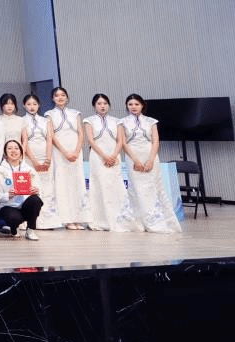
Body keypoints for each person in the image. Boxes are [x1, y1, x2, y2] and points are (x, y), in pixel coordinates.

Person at [121, 94, 182, 234]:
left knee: (154, 187)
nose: (133, 107)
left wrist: (151, 160)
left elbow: (155, 141)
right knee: (136, 189)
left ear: (142, 105)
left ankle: (160, 221)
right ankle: (139, 222)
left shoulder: (151, 121)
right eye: (130, 104)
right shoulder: (122, 122)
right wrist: (136, 160)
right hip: (132, 157)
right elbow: (123, 143)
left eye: (136, 104)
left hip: (151, 156)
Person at [84, 94, 137, 232]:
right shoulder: (88, 121)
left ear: (109, 105)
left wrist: (113, 156)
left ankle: (119, 218)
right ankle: (100, 220)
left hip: (115, 157)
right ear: (94, 106)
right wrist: (104, 156)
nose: (102, 106)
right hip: (97, 157)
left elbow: (120, 141)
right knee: (99, 186)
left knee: (115, 186)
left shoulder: (117, 121)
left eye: (105, 103)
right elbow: (91, 141)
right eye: (99, 103)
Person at [47, 86, 87, 229]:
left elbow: (81, 133)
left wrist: (76, 151)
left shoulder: (75, 113)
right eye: (57, 95)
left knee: (77, 182)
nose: (60, 98)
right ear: (53, 98)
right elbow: (51, 135)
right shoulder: (49, 114)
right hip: (59, 153)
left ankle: (79, 218)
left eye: (63, 95)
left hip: (76, 152)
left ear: (67, 97)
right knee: (63, 184)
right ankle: (67, 219)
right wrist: (65, 152)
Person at [21, 94, 61, 229]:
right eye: (29, 104)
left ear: (38, 105)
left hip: (46, 157)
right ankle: (32, 220)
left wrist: (48, 159)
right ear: (24, 106)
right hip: (30, 158)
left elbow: (49, 139)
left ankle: (48, 221)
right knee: (32, 188)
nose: (32, 107)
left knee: (48, 188)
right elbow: (24, 142)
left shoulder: (46, 121)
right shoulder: (22, 121)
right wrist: (34, 161)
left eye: (34, 104)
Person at [0, 140, 45, 239]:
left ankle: (30, 230)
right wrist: (8, 195)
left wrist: (36, 190)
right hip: (8, 206)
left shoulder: (29, 169)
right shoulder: (0, 171)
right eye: (9, 148)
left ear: (21, 152)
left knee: (35, 200)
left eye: (16, 148)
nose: (13, 151)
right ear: (5, 153)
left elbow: (39, 188)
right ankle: (13, 227)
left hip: (25, 205)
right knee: (13, 218)